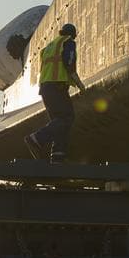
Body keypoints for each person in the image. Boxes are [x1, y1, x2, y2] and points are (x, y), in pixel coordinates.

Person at [25, 23, 86, 163]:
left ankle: (58, 156)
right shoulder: (68, 42)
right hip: (57, 87)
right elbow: (69, 63)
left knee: (58, 122)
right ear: (72, 34)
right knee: (67, 118)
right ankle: (36, 138)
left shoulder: (48, 47)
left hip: (45, 88)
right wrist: (80, 86)